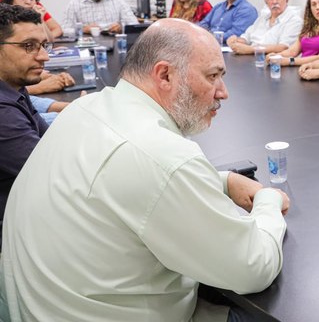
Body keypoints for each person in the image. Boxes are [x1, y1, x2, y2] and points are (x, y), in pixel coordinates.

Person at [0, 18, 290, 321]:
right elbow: (253, 268)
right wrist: (268, 202)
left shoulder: (86, 109)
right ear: (164, 75)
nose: (223, 92)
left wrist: (224, 181)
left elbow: (133, 185)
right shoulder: (161, 154)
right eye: (213, 76)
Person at [0, 4, 50, 244]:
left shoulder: (14, 87)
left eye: (43, 45)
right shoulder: (3, 112)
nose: (44, 56)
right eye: (29, 46)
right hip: (15, 229)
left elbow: (49, 137)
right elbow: (52, 172)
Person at [227, 0, 302, 55]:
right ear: (266, 2)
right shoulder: (263, 18)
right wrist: (236, 41)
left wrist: (250, 49)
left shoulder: (294, 20)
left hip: (271, 60)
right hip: (251, 57)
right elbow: (247, 37)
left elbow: (284, 47)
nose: (275, 1)